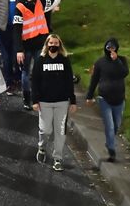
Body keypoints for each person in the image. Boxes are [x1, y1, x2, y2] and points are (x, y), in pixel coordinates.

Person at [13, 0, 70, 110]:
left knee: (40, 71)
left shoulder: (40, 2)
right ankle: (27, 98)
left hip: (40, 44)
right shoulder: (20, 8)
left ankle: (39, 96)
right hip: (26, 46)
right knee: (26, 73)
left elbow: (55, 2)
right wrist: (19, 50)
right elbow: (16, 30)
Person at [31, 34, 77, 172]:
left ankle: (58, 158)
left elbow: (69, 81)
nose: (53, 45)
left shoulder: (64, 60)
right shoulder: (40, 60)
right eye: (51, 42)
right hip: (44, 102)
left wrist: (72, 101)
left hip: (62, 102)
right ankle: (42, 147)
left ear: (59, 45)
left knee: (60, 131)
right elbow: (35, 81)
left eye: (56, 43)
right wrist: (35, 100)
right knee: (45, 130)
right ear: (47, 44)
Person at [86, 38, 129, 162]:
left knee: (116, 124)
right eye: (108, 47)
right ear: (105, 48)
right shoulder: (100, 63)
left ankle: (109, 141)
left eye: (113, 47)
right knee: (109, 126)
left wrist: (117, 61)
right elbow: (94, 80)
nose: (111, 50)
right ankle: (111, 149)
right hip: (104, 98)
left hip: (119, 98)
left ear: (116, 48)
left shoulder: (122, 60)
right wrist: (89, 96)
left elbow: (124, 73)